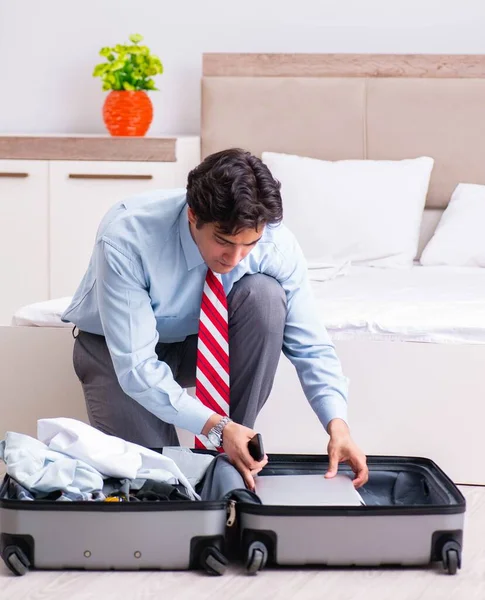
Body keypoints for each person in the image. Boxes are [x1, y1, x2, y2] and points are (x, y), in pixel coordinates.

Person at [62, 148, 368, 491]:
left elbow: (310, 343)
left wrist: (337, 424)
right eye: (223, 242)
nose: (235, 258)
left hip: (203, 344)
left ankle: (231, 451)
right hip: (117, 354)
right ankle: (223, 435)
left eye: (248, 245)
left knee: (266, 297)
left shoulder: (276, 243)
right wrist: (216, 426)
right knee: (152, 481)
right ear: (193, 216)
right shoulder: (127, 237)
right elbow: (137, 368)